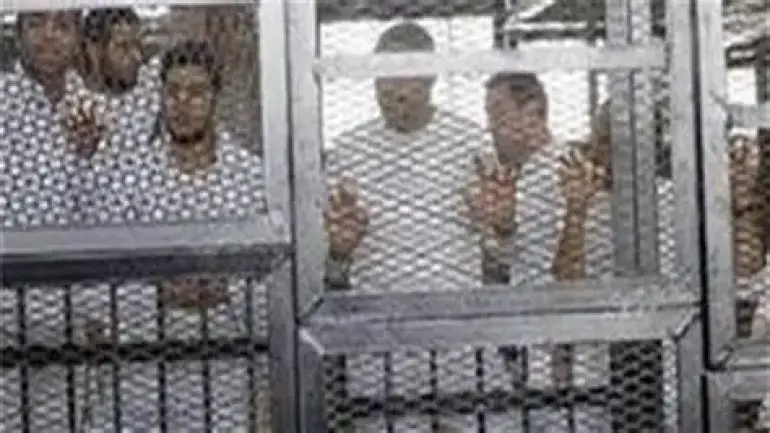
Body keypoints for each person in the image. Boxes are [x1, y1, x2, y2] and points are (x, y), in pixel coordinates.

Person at [322, 22, 492, 429]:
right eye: (382, 77)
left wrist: (495, 224)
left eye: (404, 76)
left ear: (430, 76)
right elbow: (328, 264)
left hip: (456, 328)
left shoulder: (468, 142)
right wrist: (339, 251)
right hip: (378, 333)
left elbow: (501, 248)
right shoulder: (348, 150)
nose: (391, 90)